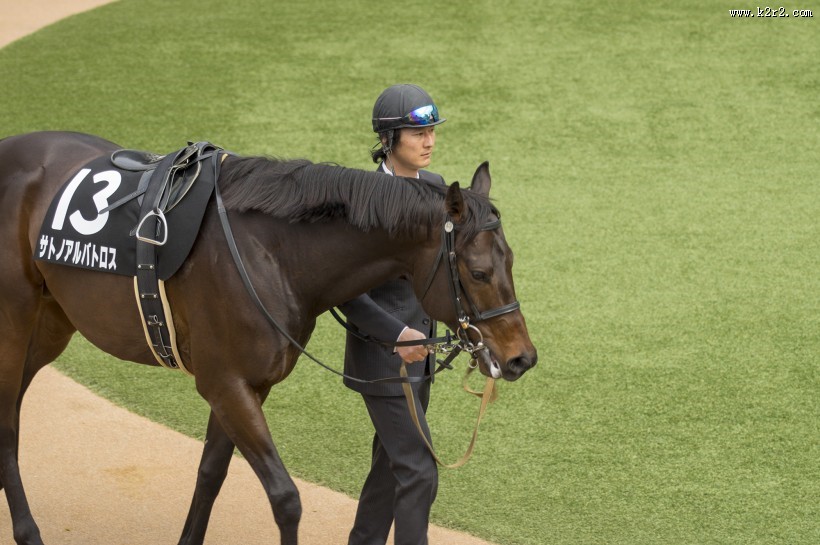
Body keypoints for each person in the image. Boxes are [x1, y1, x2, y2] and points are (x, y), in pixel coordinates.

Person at [337, 83, 447, 545]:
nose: (429, 142)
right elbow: (342, 290)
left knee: (390, 466)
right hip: (384, 362)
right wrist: (397, 333)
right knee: (419, 470)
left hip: (423, 359)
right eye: (416, 132)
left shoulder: (438, 188)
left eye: (431, 131)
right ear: (388, 139)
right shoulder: (363, 202)